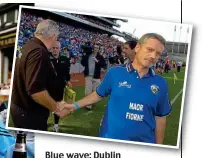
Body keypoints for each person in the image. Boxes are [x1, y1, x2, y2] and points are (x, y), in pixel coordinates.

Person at [57, 33, 172, 144]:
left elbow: (160, 118)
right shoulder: (115, 73)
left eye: (158, 53)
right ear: (137, 47)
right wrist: (74, 105)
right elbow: (98, 94)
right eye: (150, 50)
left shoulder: (160, 83)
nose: (153, 56)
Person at [10, 19, 69, 131]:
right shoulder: (39, 52)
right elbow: (35, 90)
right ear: (53, 36)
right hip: (29, 113)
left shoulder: (29, 46)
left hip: (21, 107)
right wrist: (56, 108)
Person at [49, 41, 72, 132]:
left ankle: (56, 124)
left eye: (56, 48)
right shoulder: (46, 58)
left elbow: (67, 72)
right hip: (48, 87)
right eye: (53, 48)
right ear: (50, 49)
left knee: (57, 106)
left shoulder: (64, 59)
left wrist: (68, 80)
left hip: (59, 87)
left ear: (59, 49)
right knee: (46, 105)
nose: (55, 50)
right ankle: (44, 121)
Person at [81, 44, 106, 110]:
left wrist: (97, 61)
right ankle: (88, 106)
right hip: (88, 75)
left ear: (98, 49)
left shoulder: (100, 57)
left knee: (95, 91)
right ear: (92, 48)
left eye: (97, 48)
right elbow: (82, 63)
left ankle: (91, 102)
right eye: (94, 47)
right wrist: (84, 55)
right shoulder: (88, 55)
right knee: (88, 91)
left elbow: (104, 65)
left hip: (96, 76)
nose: (95, 49)